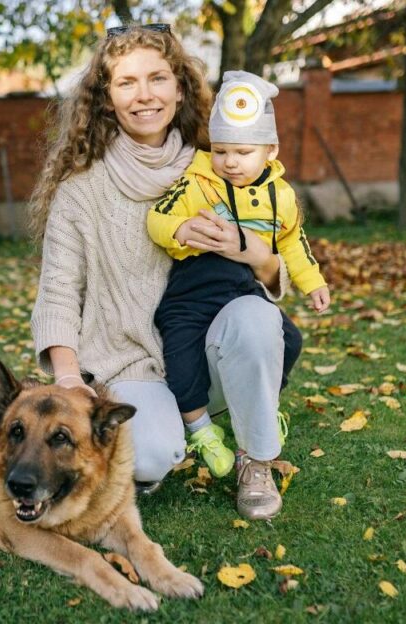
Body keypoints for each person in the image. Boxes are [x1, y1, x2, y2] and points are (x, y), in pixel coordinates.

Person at [29, 24, 301, 521]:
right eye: (126, 82)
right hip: (128, 361)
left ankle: (254, 458)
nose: (144, 95)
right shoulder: (80, 191)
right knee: (154, 454)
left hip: (205, 349)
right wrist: (68, 376)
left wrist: (255, 252)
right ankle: (169, 434)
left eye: (157, 78)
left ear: (180, 88)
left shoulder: (221, 167)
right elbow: (58, 293)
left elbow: (274, 260)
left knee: (258, 319)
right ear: (107, 99)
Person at [146, 71, 329, 483]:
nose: (230, 161)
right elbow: (158, 218)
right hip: (193, 290)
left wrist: (312, 282)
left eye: (243, 152)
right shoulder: (198, 183)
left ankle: (259, 407)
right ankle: (201, 430)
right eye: (222, 150)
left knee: (289, 339)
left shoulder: (280, 197)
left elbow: (293, 243)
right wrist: (179, 230)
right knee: (181, 354)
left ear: (270, 150)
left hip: (243, 289)